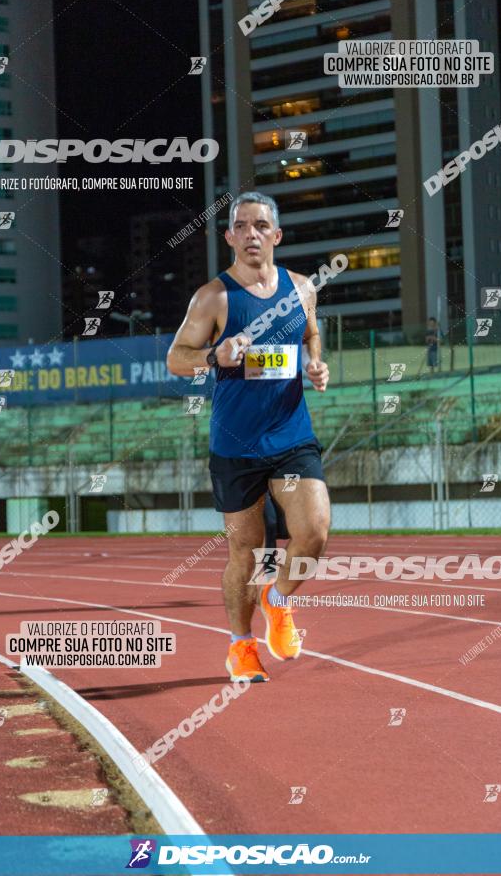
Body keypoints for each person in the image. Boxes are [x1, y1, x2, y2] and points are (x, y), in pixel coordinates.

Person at [167, 191, 331, 682]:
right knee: (249, 553)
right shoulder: (213, 298)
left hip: (291, 435)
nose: (252, 233)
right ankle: (240, 645)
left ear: (276, 235)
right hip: (236, 446)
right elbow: (176, 358)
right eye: (242, 226)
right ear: (230, 237)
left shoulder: (302, 289)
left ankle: (278, 601)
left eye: (261, 225)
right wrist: (213, 356)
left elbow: (310, 335)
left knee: (314, 534)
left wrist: (317, 364)